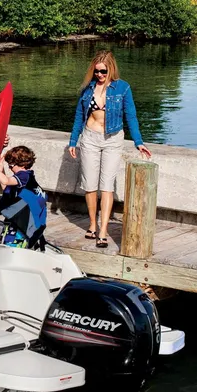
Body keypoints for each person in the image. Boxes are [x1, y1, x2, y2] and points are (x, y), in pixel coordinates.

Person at [68, 50, 152, 249]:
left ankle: (103, 230)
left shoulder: (122, 88)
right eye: (96, 71)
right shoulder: (87, 89)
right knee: (89, 184)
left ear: (111, 68)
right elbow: (79, 116)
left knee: (107, 186)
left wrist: (138, 141)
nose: (100, 75)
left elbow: (130, 116)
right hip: (89, 137)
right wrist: (73, 140)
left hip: (113, 139)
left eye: (103, 71)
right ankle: (92, 224)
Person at [0, 146, 47, 249]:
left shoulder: (24, 176)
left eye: (11, 165)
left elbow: (5, 181)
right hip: (16, 223)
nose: (10, 168)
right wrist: (0, 167)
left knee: (10, 250)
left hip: (20, 229)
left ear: (23, 164)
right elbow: (6, 189)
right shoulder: (28, 178)